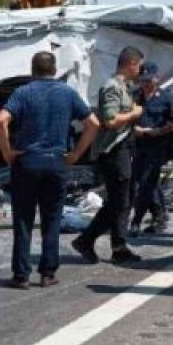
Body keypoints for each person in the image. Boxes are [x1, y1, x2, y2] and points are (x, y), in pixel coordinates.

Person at [0, 52, 101, 289]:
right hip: (56, 161)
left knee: (23, 219)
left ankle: (21, 274)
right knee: (52, 218)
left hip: (27, 161)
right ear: (54, 70)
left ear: (32, 70)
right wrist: (75, 154)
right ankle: (47, 272)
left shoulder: (23, 93)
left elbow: (1, 121)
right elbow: (93, 123)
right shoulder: (67, 93)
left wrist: (7, 152)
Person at [71, 47, 145, 265]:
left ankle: (117, 245)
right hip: (113, 151)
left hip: (124, 149)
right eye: (139, 65)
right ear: (131, 63)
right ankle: (88, 240)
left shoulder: (126, 88)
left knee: (123, 200)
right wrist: (134, 113)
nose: (140, 70)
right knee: (118, 202)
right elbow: (110, 120)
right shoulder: (112, 87)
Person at [130, 62, 173, 236]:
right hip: (138, 145)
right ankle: (159, 215)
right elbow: (128, 118)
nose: (145, 84)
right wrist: (135, 129)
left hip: (157, 146)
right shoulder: (135, 97)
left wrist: (160, 131)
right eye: (143, 80)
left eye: (149, 80)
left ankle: (136, 220)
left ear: (157, 78)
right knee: (144, 181)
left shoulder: (166, 98)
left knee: (146, 183)